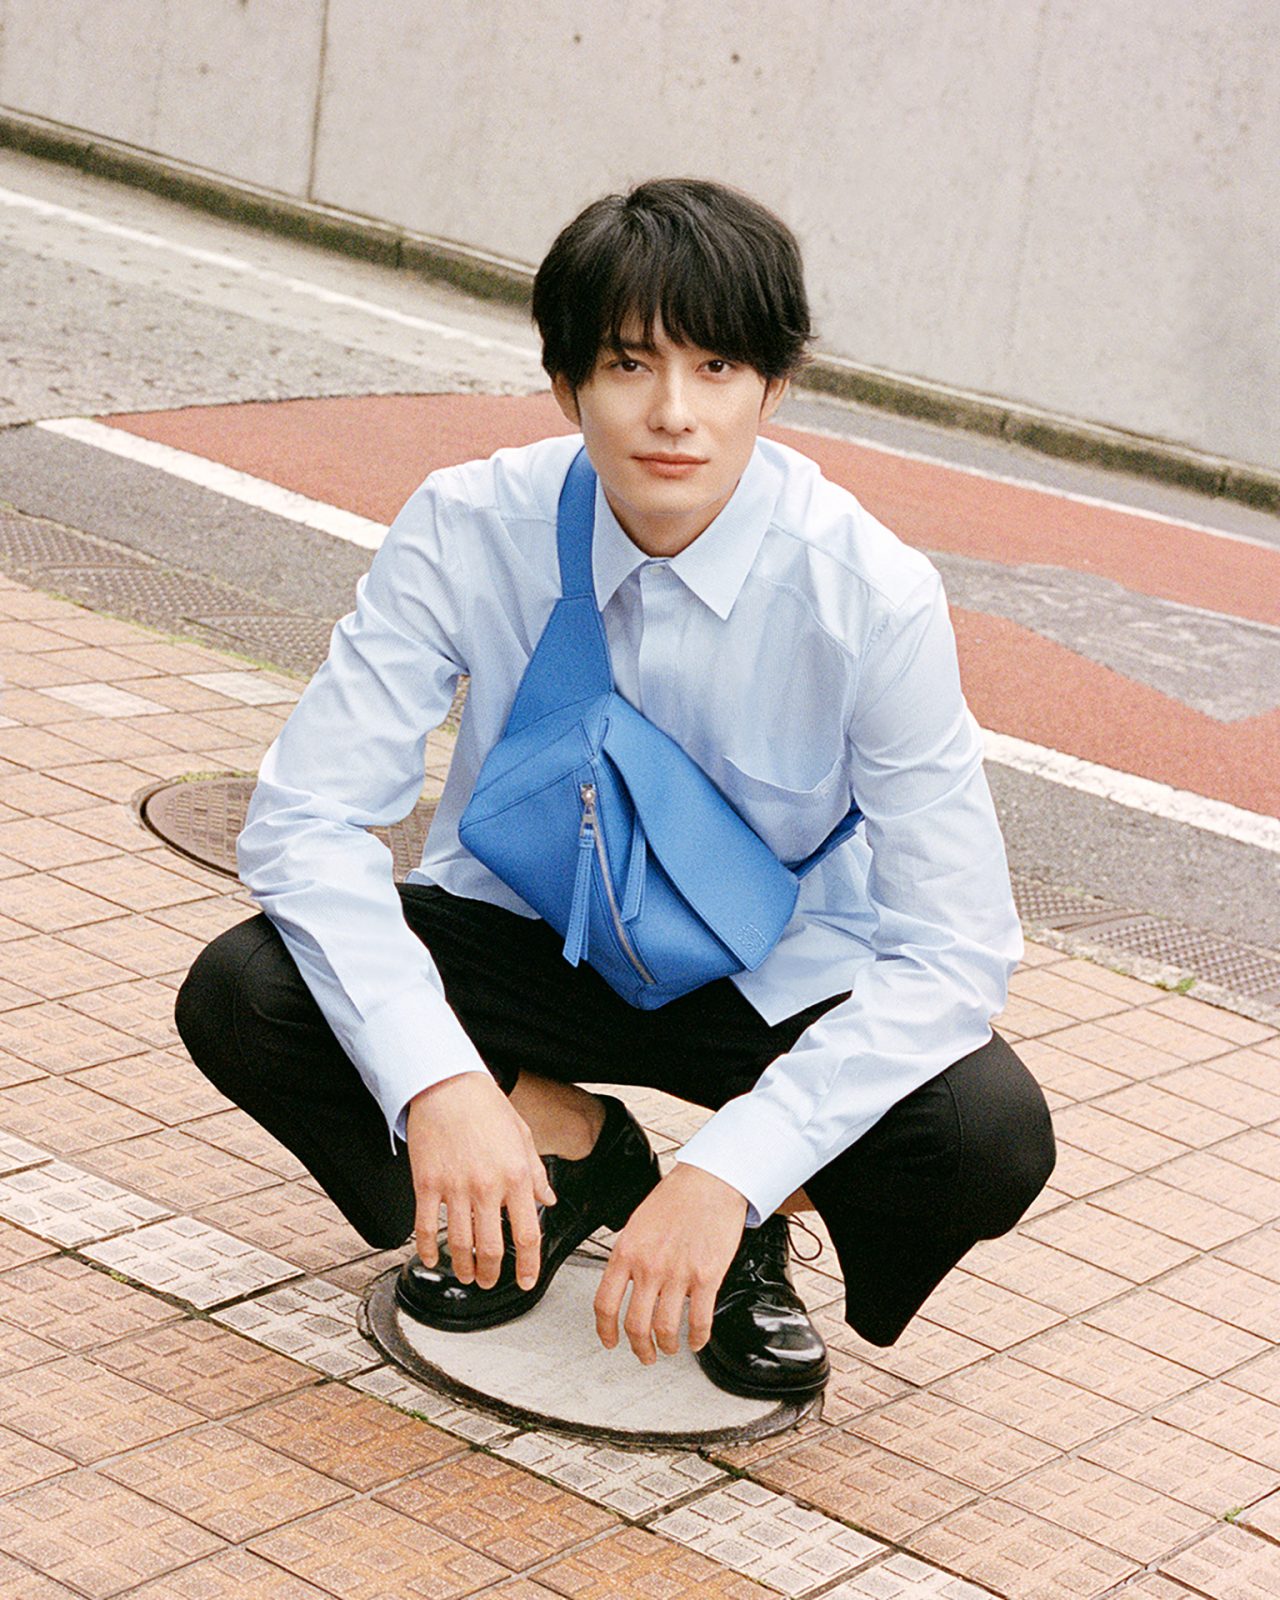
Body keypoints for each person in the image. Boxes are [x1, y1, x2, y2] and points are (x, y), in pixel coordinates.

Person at [176, 178, 1055, 1402]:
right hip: (531, 933)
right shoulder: (471, 522)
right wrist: (438, 1081)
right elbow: (306, 820)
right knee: (248, 991)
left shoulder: (867, 594)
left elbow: (954, 949)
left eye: (715, 367)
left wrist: (734, 1169)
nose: (672, 413)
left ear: (773, 387)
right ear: (564, 383)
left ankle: (739, 1229)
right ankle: (569, 1154)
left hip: (767, 974)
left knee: (980, 1132)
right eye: (629, 364)